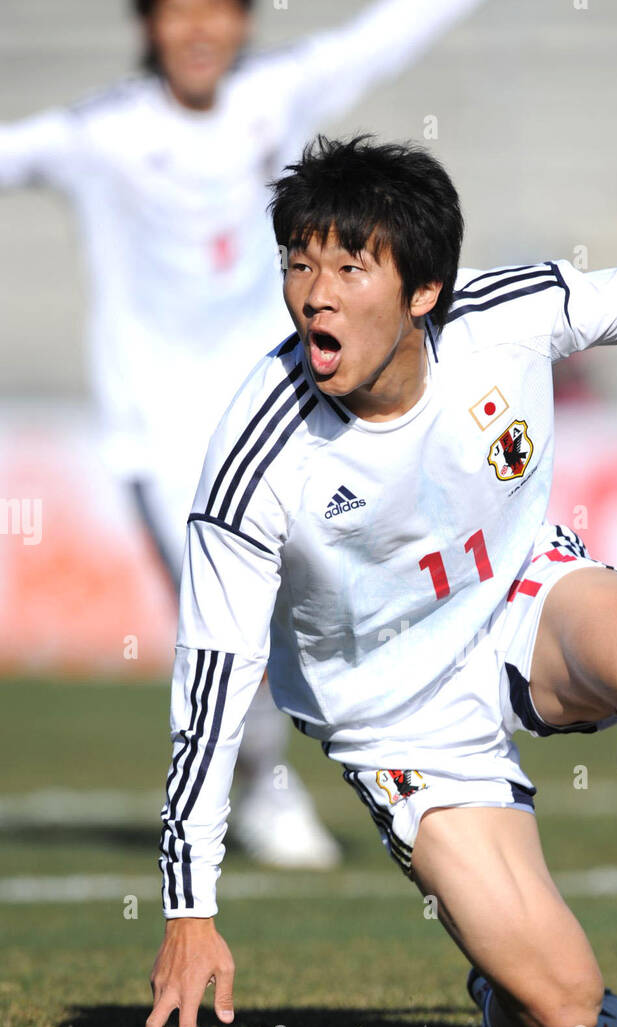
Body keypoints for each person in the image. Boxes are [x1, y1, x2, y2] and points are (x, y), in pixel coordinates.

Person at [139, 133, 617, 1027]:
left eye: (350, 268)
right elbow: (211, 684)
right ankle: (515, 988)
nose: (314, 294)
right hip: (396, 717)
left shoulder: (511, 312)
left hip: (522, 597)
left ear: (424, 292)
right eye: (298, 264)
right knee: (560, 1015)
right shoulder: (259, 455)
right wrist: (188, 909)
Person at [0, 0, 483, 865]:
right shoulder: (99, 134)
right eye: (177, 12)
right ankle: (263, 788)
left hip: (280, 404)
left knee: (333, 599)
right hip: (157, 431)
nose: (198, 31)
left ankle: (397, 766)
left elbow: (380, 37)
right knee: (225, 616)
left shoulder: (276, 96)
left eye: (217, 12)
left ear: (242, 23)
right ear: (146, 25)